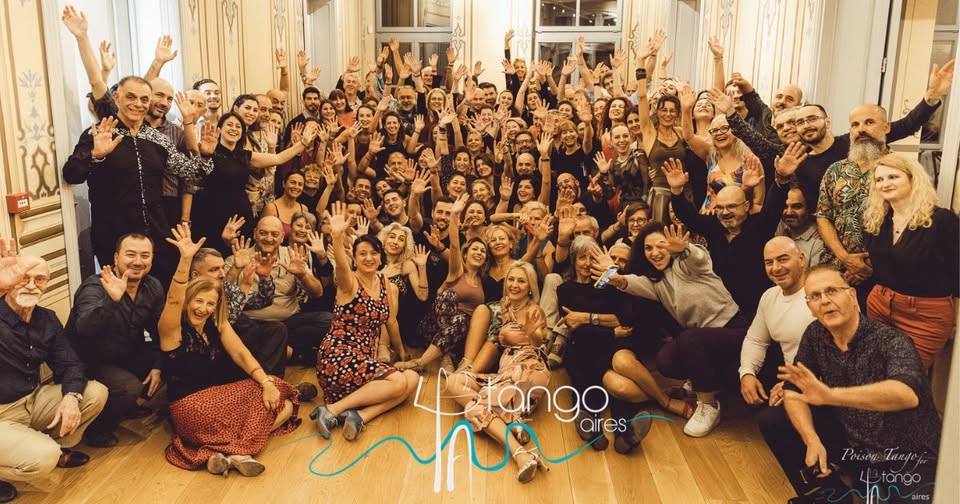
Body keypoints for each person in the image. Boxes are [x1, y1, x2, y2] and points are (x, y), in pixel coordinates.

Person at [759, 266, 940, 503]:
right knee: (773, 419)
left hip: (908, 453)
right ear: (810, 307)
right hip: (855, 445)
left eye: (832, 291)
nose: (825, 301)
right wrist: (811, 439)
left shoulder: (890, 340)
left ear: (852, 296)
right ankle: (832, 492)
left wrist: (830, 395)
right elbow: (793, 390)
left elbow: (907, 394)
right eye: (815, 296)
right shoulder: (815, 334)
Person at [159, 225, 301, 476]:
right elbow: (173, 299)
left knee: (281, 399)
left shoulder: (217, 323)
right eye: (198, 301)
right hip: (190, 409)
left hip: (220, 398)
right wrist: (185, 260)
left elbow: (241, 354)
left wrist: (265, 382)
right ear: (187, 300)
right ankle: (238, 450)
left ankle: (223, 453)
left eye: (210, 304)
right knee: (285, 401)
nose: (203, 308)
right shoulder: (172, 330)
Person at [601, 223, 746, 438]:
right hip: (703, 341)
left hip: (733, 330)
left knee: (688, 339)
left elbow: (698, 258)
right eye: (648, 248)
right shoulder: (656, 281)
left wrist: (685, 249)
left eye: (661, 245)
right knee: (666, 361)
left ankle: (708, 405)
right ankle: (706, 380)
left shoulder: (688, 265)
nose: (655, 253)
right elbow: (632, 282)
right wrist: (615, 276)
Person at [0, 240, 107, 502]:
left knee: (94, 392)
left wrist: (71, 397)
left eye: (40, 279)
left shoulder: (45, 318)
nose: (32, 285)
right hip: (2, 412)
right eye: (24, 278)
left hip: (31, 399)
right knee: (43, 458)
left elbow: (71, 363)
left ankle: (51, 447)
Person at [310, 202, 418, 441]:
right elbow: (340, 266)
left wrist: (401, 352)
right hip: (338, 358)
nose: (369, 258)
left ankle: (359, 416)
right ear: (355, 258)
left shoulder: (387, 285)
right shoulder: (349, 282)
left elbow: (391, 322)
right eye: (362, 254)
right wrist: (337, 237)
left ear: (380, 257)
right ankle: (332, 410)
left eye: (373, 253)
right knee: (398, 383)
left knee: (411, 379)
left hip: (365, 361)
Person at [445, 261, 551, 482]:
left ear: (530, 287)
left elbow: (540, 341)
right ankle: (512, 421)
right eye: (511, 279)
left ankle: (520, 454)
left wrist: (533, 334)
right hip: (505, 373)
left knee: (474, 407)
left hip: (527, 370)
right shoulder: (506, 305)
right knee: (453, 383)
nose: (514, 285)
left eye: (521, 281)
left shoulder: (533, 310)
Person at [64, 234, 165, 448]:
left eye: (145, 255)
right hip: (90, 359)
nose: (138, 261)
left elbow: (159, 331)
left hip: (125, 352)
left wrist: (158, 365)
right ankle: (97, 429)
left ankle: (124, 407)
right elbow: (84, 328)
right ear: (116, 257)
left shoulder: (153, 286)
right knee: (129, 388)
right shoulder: (95, 286)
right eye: (131, 254)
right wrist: (112, 300)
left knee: (173, 358)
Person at [559, 236, 657, 452]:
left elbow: (624, 320)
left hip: (610, 347)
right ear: (573, 260)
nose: (587, 263)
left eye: (592, 258)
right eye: (582, 258)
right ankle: (592, 430)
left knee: (617, 390)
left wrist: (586, 318)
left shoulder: (609, 287)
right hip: (583, 347)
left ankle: (625, 435)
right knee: (583, 374)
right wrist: (611, 330)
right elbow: (575, 328)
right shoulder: (564, 290)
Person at [862, 153, 959, 369]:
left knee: (905, 376)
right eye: (879, 179)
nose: (885, 184)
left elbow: (957, 272)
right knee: (874, 371)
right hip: (880, 306)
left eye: (893, 177)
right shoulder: (877, 220)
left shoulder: (942, 221)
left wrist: (956, 320)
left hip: (925, 316)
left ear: (912, 179)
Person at [397, 194, 488, 372]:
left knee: (461, 319)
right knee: (449, 296)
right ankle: (430, 360)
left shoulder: (484, 280)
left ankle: (431, 358)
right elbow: (454, 245)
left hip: (462, 333)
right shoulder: (457, 270)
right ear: (465, 254)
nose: (478, 253)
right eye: (474, 249)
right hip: (433, 325)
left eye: (482, 251)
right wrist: (454, 216)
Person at [739, 237, 816, 407]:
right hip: (791, 379)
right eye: (769, 262)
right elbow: (756, 340)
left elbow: (840, 354)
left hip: (823, 385)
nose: (776, 268)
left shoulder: (821, 294)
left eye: (783, 259)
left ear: (802, 259)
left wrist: (793, 383)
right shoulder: (769, 296)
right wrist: (747, 373)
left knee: (769, 419)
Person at [777, 187, 826, 270]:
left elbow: (815, 277)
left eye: (796, 207)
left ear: (809, 208)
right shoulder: (779, 228)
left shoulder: (818, 241)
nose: (789, 213)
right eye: (785, 207)